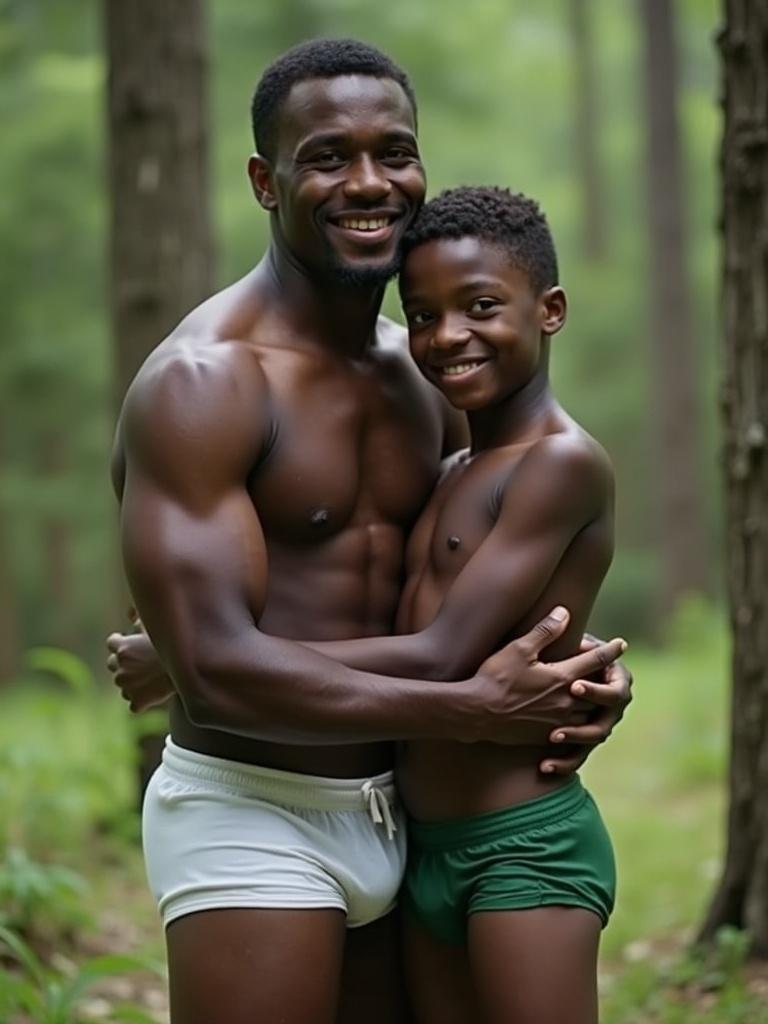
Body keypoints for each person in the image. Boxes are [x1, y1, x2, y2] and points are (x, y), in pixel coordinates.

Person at [108, 38, 631, 1024]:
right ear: (267, 180)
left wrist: (582, 672)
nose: (369, 182)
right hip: (253, 805)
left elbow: (484, 572)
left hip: (412, 811)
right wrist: (475, 710)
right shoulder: (205, 383)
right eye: (327, 157)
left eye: (394, 151)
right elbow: (217, 674)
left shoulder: (427, 371)